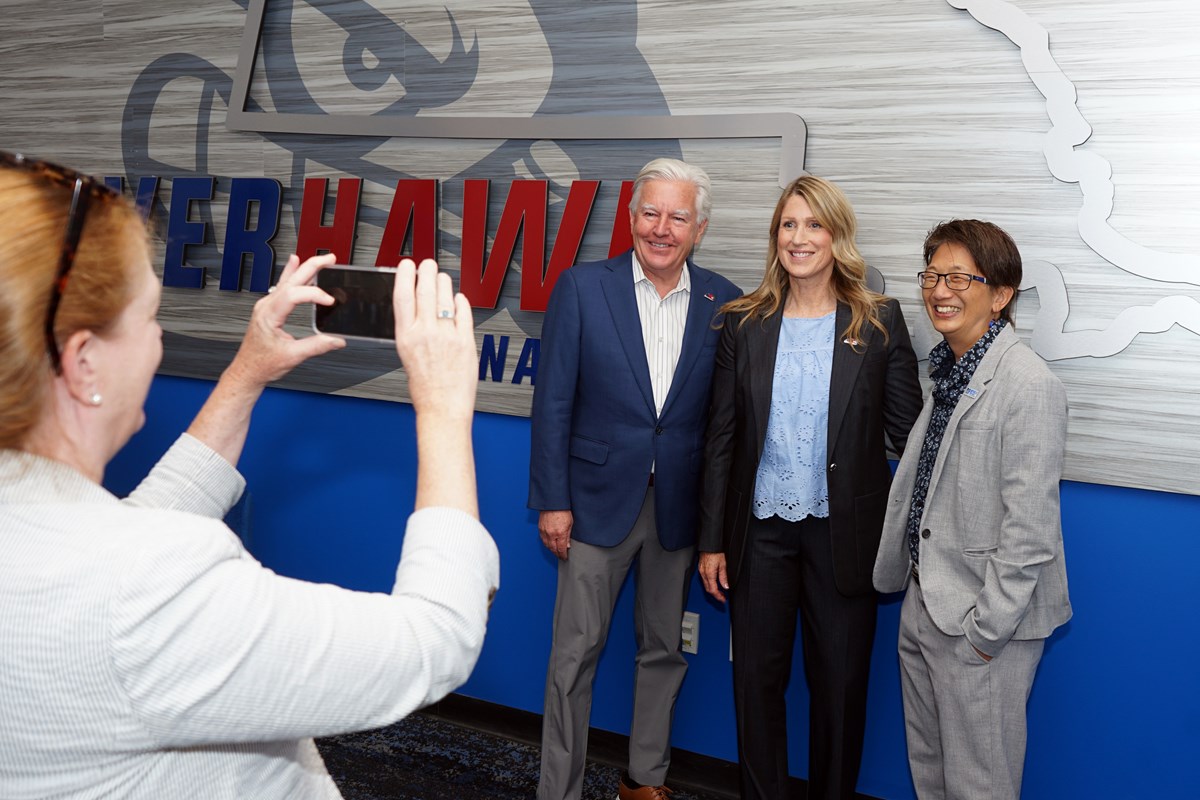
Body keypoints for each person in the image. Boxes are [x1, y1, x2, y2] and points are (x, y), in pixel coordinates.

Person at [0, 151, 499, 799]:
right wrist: (443, 406)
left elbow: (128, 537)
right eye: (150, 318)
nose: (157, 342)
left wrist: (246, 372)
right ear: (85, 362)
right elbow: (435, 641)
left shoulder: (68, 548)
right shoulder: (142, 592)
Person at [698, 175, 923, 800]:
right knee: (756, 688)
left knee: (840, 692)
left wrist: (916, 535)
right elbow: (721, 439)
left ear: (837, 235)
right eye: (788, 225)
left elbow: (909, 436)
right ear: (775, 237)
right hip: (759, 536)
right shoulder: (743, 322)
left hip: (844, 538)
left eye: (813, 225)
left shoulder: (878, 321)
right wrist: (711, 539)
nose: (800, 238)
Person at [529, 158, 741, 800]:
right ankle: (557, 789)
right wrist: (553, 501)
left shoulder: (723, 300)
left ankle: (645, 779)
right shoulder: (581, 287)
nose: (662, 227)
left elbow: (720, 422)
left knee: (664, 651)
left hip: (676, 508)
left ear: (698, 228)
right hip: (593, 505)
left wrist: (715, 523)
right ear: (631, 218)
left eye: (678, 216)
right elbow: (553, 402)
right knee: (575, 656)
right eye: (651, 212)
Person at [873, 219, 1071, 800]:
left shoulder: (1027, 384)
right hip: (926, 601)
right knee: (930, 771)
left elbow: (1030, 530)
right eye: (932, 274)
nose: (940, 290)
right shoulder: (946, 371)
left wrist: (985, 632)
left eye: (960, 276)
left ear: (1002, 294)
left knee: (979, 785)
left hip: (983, 623)